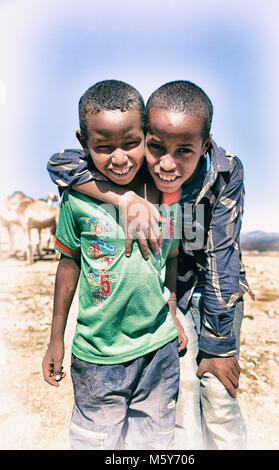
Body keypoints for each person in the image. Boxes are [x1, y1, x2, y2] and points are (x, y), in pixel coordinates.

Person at [47, 80, 254, 450]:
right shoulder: (134, 173)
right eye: (156, 147)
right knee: (182, 390)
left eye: (184, 151)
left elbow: (221, 255)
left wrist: (220, 347)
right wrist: (123, 198)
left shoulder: (223, 174)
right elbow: (59, 162)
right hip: (169, 293)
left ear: (204, 145)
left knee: (218, 391)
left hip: (212, 288)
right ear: (146, 136)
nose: (167, 163)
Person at [42, 80, 188, 451]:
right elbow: (68, 263)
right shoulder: (78, 199)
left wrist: (171, 310)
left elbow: (169, 256)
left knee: (153, 443)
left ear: (147, 137)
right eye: (103, 147)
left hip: (160, 351)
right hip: (98, 358)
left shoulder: (169, 196)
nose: (119, 158)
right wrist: (55, 338)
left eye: (131, 143)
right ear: (83, 141)